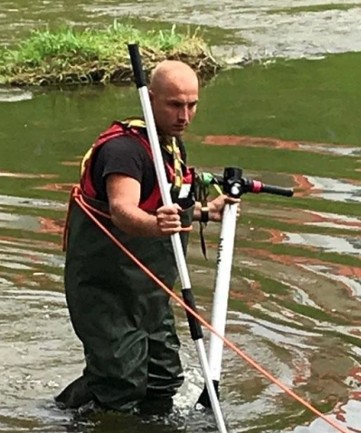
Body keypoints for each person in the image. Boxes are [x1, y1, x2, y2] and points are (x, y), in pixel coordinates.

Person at [55, 60, 236, 414]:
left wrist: (202, 211)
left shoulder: (171, 145)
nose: (184, 115)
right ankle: (63, 416)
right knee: (120, 382)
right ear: (149, 99)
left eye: (192, 104)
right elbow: (124, 209)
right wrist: (155, 226)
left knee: (162, 378)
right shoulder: (123, 150)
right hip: (104, 287)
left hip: (150, 289)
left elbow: (162, 201)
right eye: (174, 104)